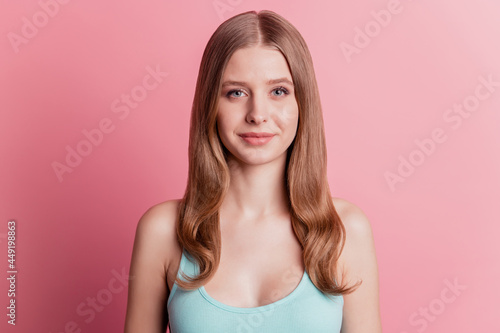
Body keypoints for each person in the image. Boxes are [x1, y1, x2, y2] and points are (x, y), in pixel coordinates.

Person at [124, 9, 382, 333]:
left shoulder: (346, 231)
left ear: (303, 103)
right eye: (236, 92)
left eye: (278, 91)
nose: (257, 114)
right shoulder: (162, 231)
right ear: (210, 105)